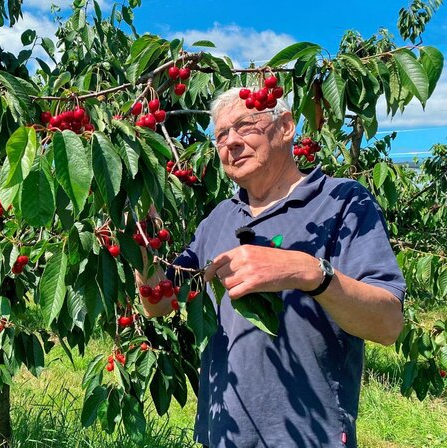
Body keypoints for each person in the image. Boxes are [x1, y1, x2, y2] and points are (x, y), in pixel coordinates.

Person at [135, 87, 405, 448]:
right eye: (220, 135)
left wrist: (310, 272)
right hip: (224, 433)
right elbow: (156, 304)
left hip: (308, 436)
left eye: (245, 126)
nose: (230, 142)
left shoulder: (343, 202)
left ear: (286, 127)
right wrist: (136, 237)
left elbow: (387, 325)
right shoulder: (218, 218)